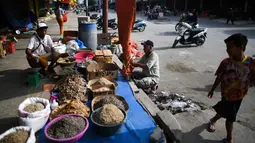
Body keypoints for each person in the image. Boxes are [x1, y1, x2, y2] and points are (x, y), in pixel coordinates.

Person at [207, 33, 255, 143]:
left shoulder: (250, 63)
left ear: (241, 47)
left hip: (240, 95)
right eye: (226, 47)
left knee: (226, 111)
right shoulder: (226, 63)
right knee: (231, 118)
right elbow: (219, 77)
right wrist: (212, 89)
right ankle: (229, 139)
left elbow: (253, 77)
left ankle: (213, 120)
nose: (227, 50)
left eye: (230, 47)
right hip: (227, 95)